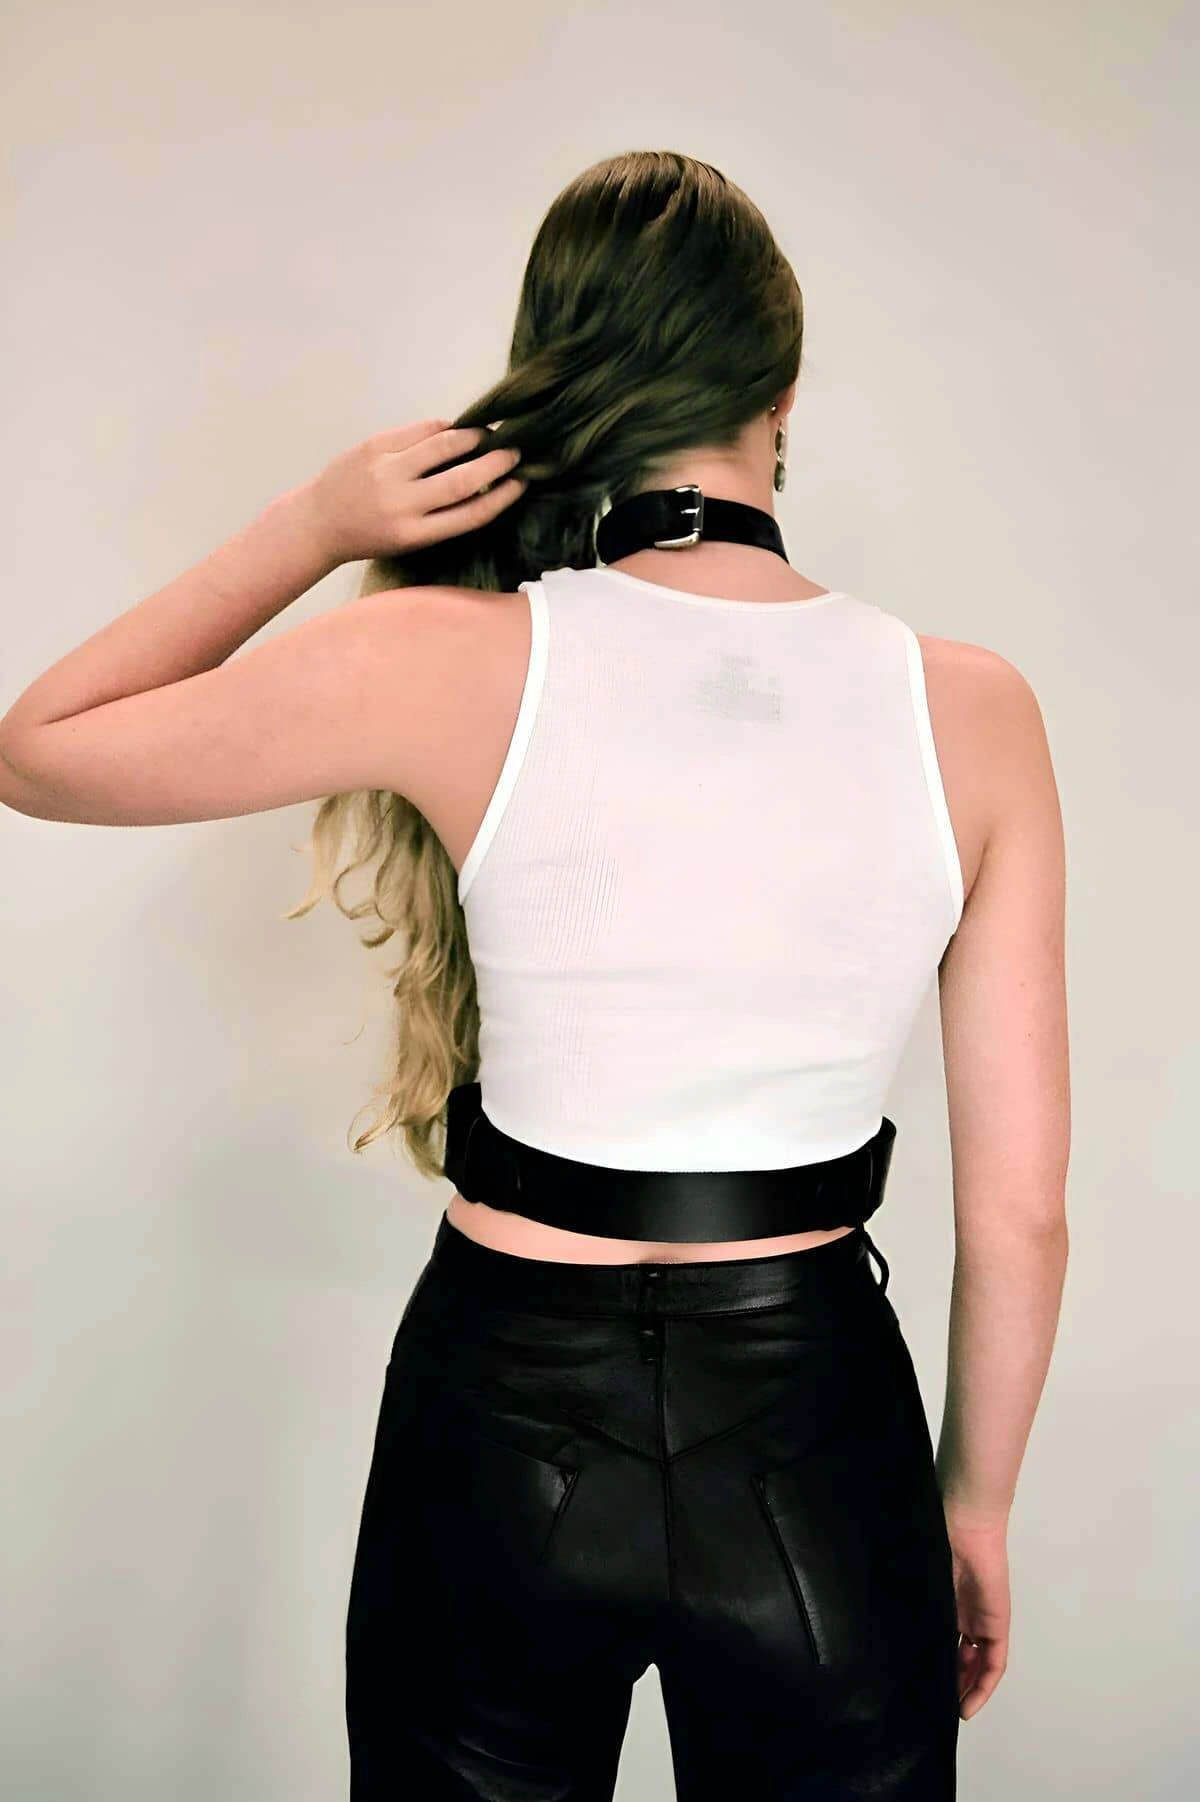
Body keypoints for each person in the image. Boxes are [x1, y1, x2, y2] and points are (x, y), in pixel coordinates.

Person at [0, 150, 1070, 1800]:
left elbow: (38, 747)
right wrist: (975, 1504)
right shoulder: (975, 709)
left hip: (503, 1414)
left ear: (565, 373)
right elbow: (1020, 1215)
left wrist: (318, 525)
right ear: (781, 391)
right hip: (816, 1424)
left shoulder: (448, 655)